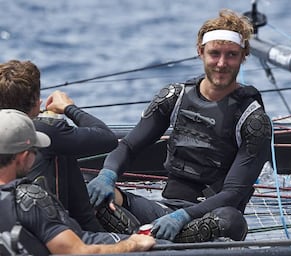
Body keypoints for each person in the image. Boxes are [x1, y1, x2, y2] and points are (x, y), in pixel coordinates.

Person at [87, 9, 272, 243]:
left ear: (243, 56)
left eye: (231, 55)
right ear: (200, 52)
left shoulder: (254, 121)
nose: (222, 63)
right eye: (215, 54)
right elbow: (128, 147)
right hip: (162, 211)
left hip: (211, 217)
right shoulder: (174, 97)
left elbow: (233, 194)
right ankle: (152, 237)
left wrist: (183, 216)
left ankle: (141, 238)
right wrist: (107, 174)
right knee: (92, 193)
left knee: (231, 220)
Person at [0, 109, 155, 254]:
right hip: (74, 242)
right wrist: (133, 244)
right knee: (156, 243)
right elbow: (77, 251)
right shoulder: (28, 200)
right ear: (24, 157)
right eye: (35, 151)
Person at [0, 59, 118, 232]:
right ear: (35, 102)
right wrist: (69, 108)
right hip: (60, 230)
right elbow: (107, 138)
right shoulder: (48, 131)